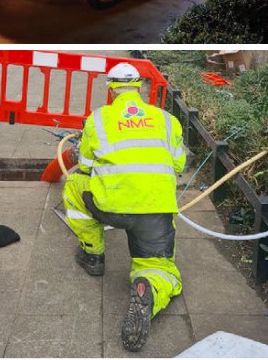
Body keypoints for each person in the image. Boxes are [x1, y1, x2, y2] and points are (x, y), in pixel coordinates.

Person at [62, 63, 186, 351]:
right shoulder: (167, 120)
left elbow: (85, 165)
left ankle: (93, 255)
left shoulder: (99, 119)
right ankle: (149, 286)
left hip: (111, 206)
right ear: (140, 86)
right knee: (162, 268)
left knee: (74, 187)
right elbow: (178, 163)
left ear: (111, 88)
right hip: (155, 210)